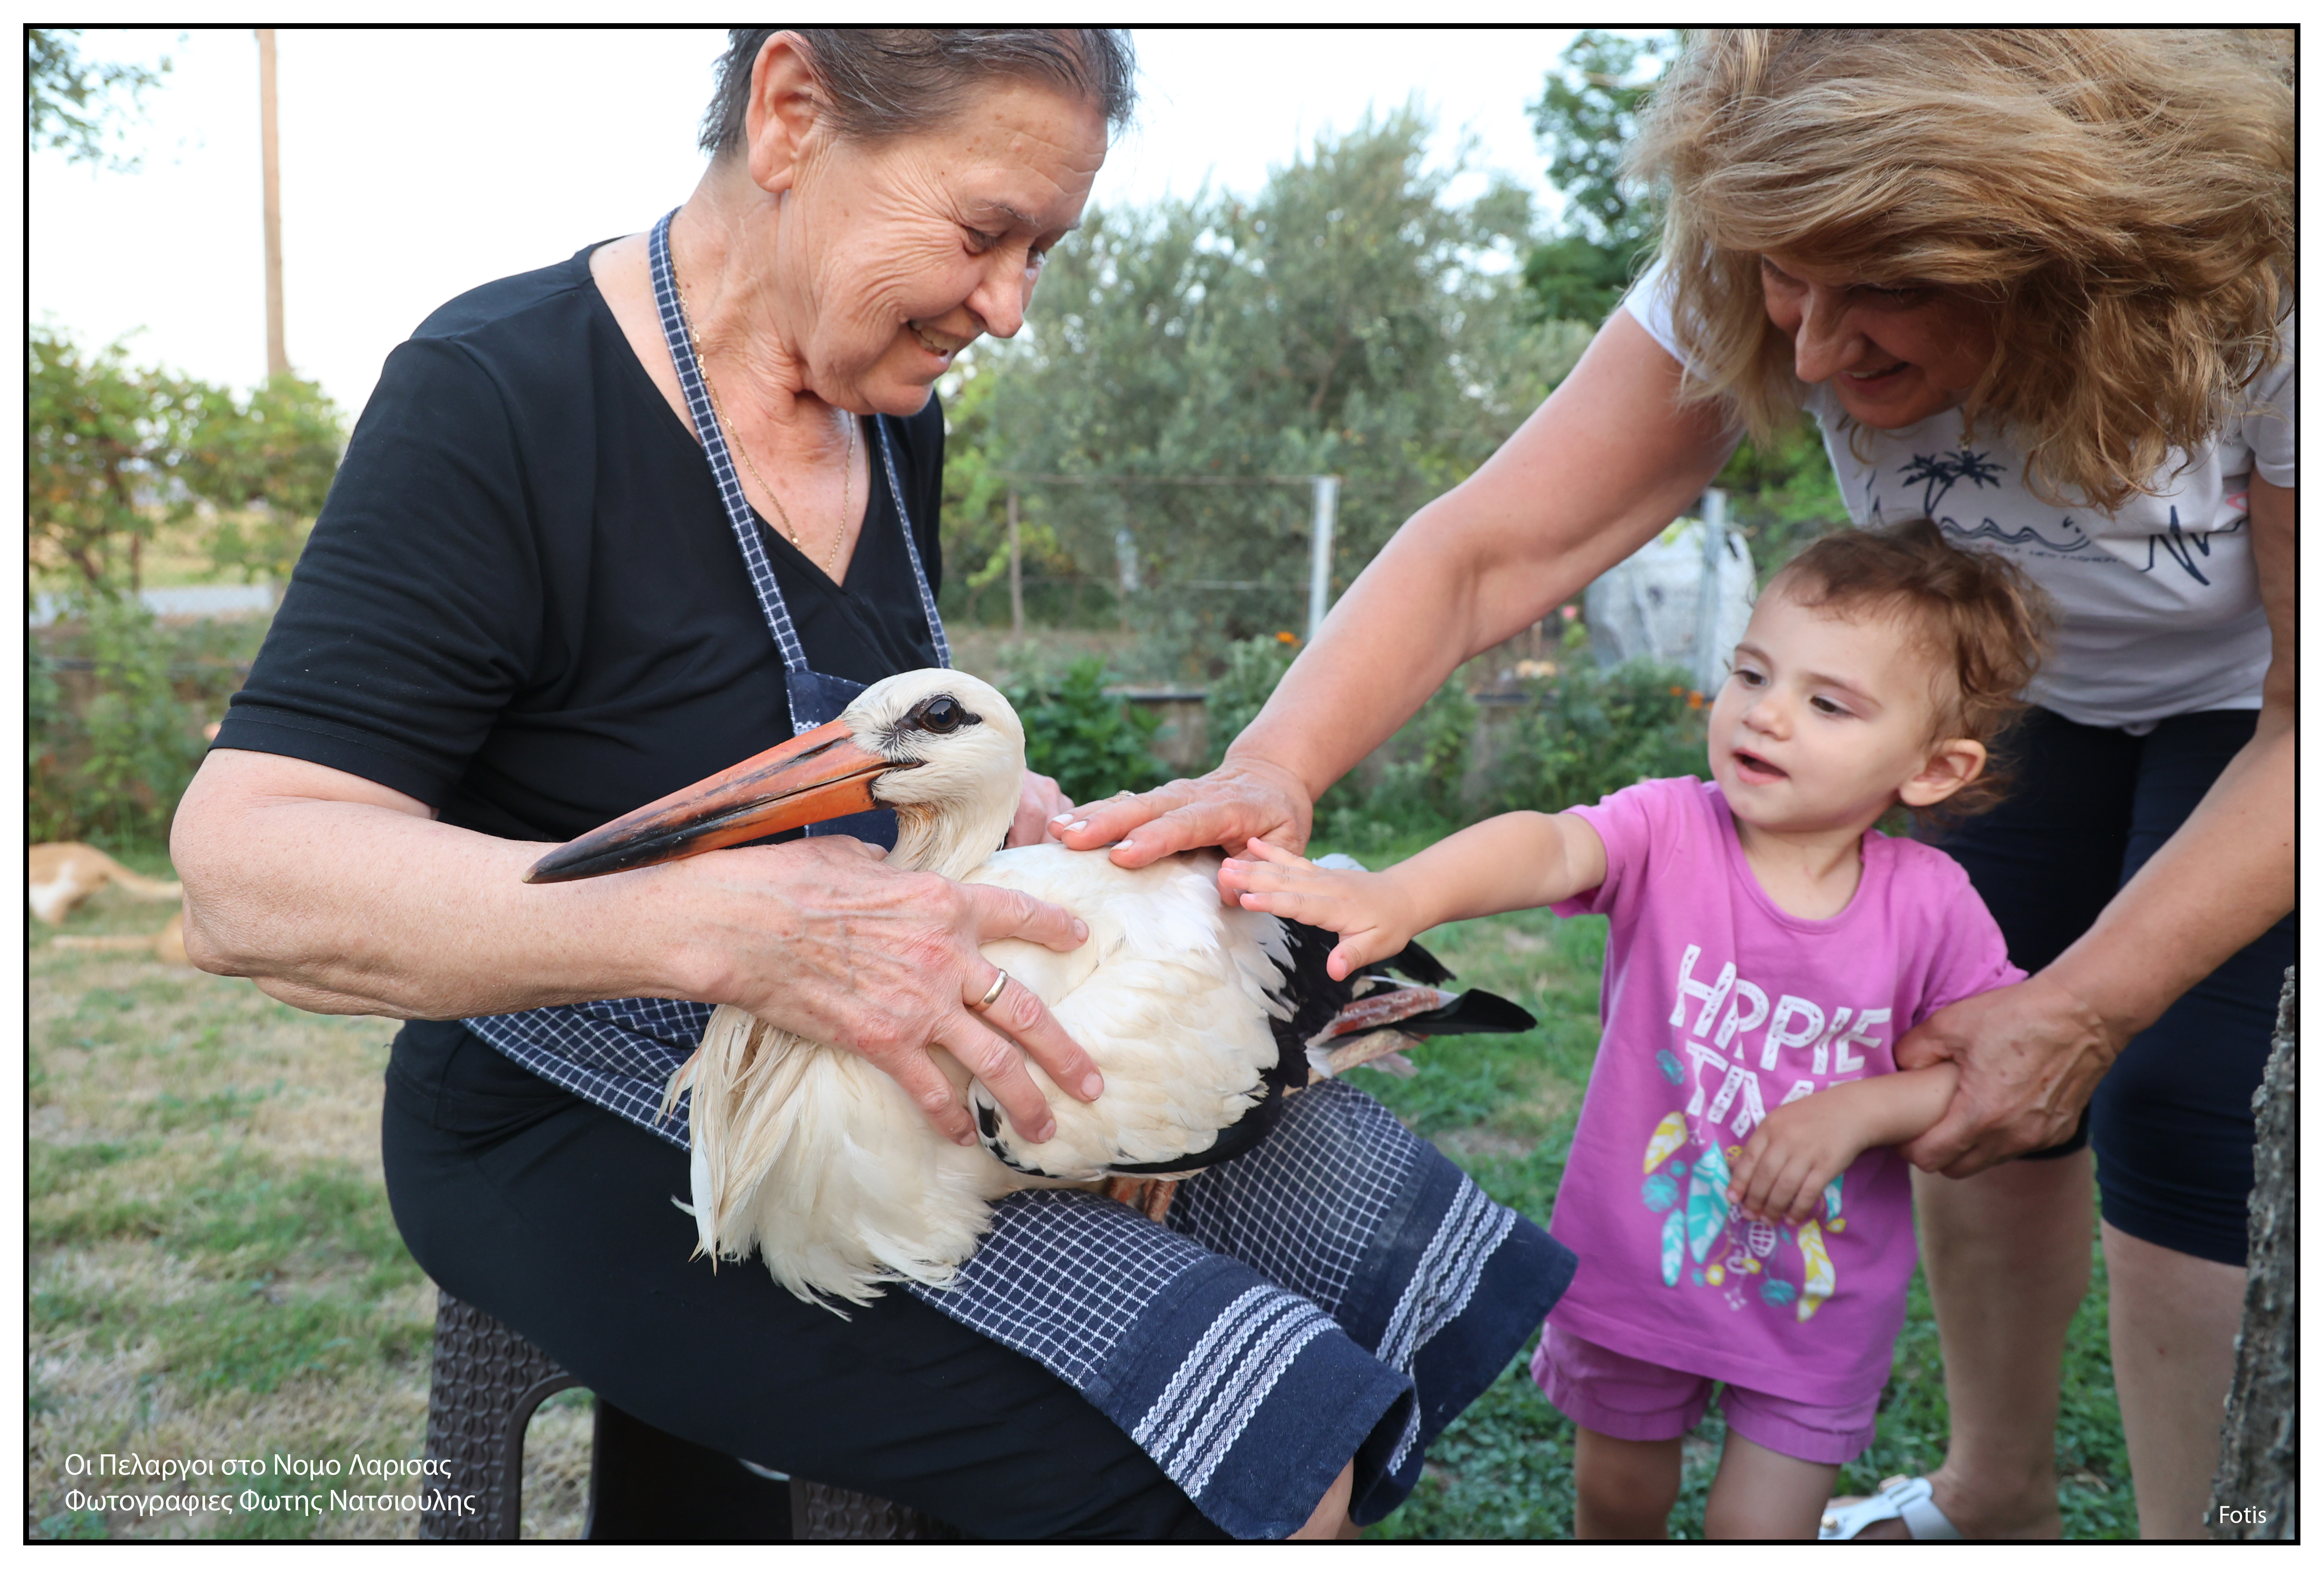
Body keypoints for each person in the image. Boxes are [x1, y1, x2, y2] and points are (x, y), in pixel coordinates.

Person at [172, 29, 1571, 1541]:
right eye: (985, 233)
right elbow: (244, 873)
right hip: (563, 1108)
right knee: (1272, 1448)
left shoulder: (888, 406)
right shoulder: (496, 398)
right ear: (789, 114)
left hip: (891, 1053)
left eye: (1043, 250)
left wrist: (1035, 847)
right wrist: (721, 930)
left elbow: (873, 762)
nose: (1012, 308)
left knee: (1357, 1213)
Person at [1062, 29, 2293, 1540]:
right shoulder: (1753, 259)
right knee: (1975, 1058)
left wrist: (2094, 1004)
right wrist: (1275, 762)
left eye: (1890, 294)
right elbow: (1483, 552)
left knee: (2179, 1102)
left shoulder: (2261, 301)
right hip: (2000, 705)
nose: (1818, 350)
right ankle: (1992, 1494)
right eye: (1791, 279)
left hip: (2256, 711)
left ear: (2069, 259)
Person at [1218, 522, 2047, 1538]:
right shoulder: (1669, 829)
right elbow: (1548, 844)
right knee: (1615, 1507)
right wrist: (1404, 893)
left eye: (1827, 703)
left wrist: (1861, 1109)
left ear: (1931, 767)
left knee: (1758, 1532)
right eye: (1751, 674)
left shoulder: (1934, 906)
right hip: (1636, 1272)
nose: (1767, 714)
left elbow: (1980, 1068)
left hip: (1812, 1306)